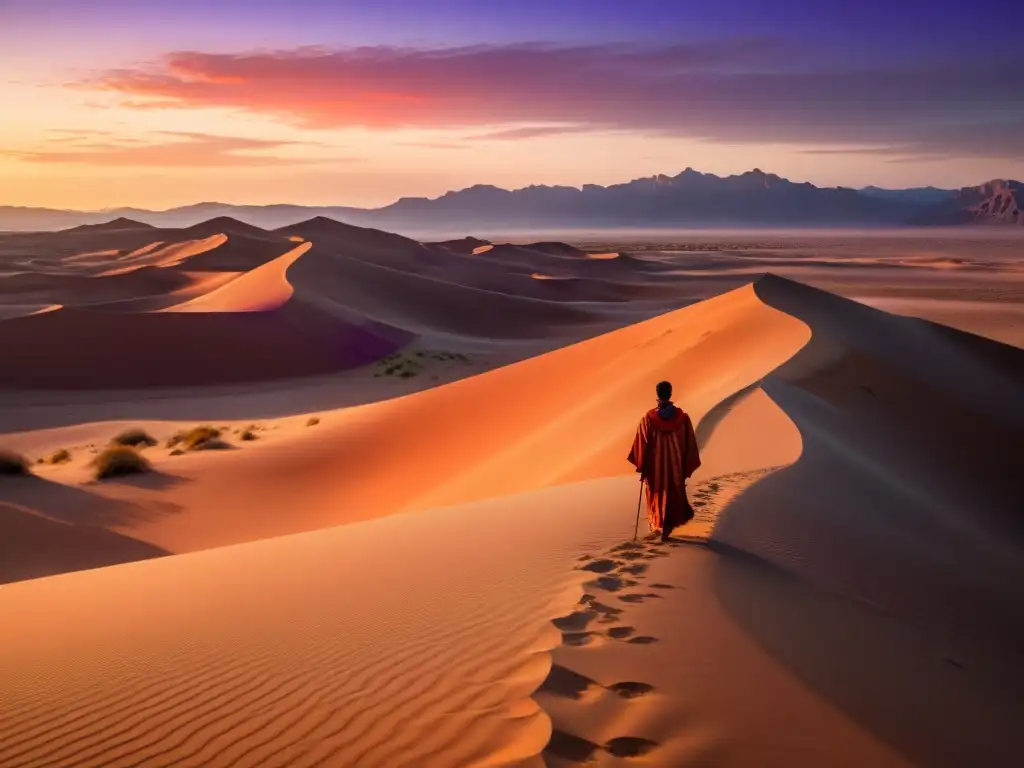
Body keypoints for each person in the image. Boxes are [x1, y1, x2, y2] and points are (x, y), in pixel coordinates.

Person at [627, 380, 701, 541]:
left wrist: (643, 464)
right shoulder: (682, 418)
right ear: (670, 393)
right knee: (673, 494)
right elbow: (689, 443)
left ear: (657, 394)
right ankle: (667, 529)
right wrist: (683, 462)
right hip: (675, 466)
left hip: (656, 467)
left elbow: (642, 443)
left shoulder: (649, 418)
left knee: (658, 493)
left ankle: (660, 526)